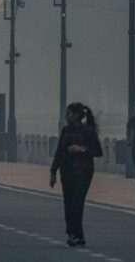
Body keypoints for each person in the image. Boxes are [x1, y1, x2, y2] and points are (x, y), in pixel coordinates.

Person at [50, 102, 103, 247]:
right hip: (67, 172)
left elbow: (98, 152)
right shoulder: (66, 131)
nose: (66, 116)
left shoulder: (88, 131)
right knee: (68, 203)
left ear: (77, 115)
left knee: (77, 204)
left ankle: (75, 234)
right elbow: (60, 152)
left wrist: (81, 149)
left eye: (69, 113)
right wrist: (53, 171)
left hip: (83, 172)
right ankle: (75, 235)